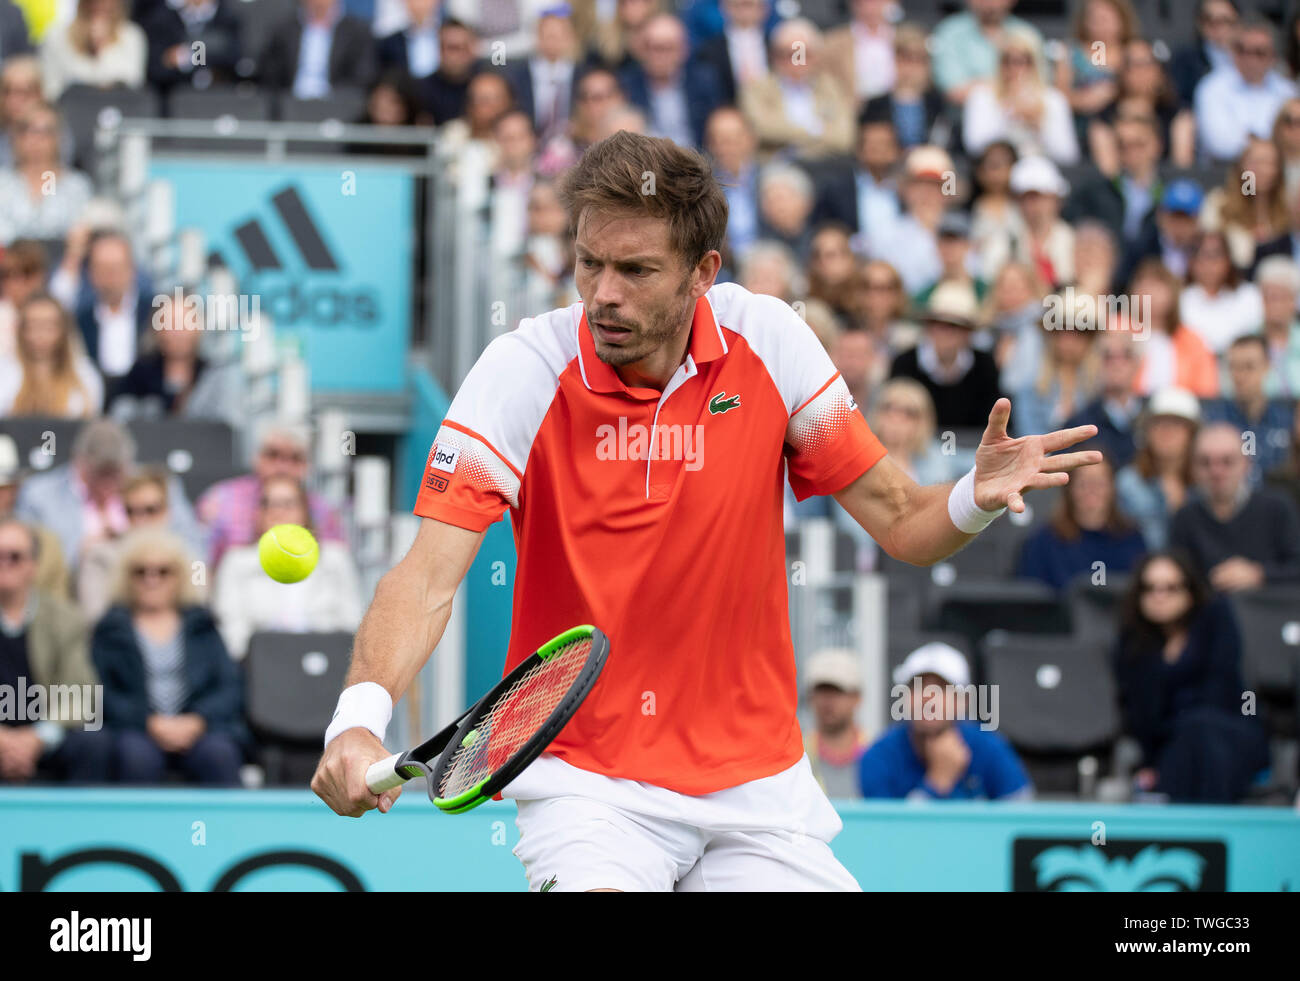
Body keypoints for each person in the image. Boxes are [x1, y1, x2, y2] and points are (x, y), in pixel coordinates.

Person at [311, 129, 1100, 891]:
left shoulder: (771, 341)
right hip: (590, 788)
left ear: (703, 270)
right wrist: (357, 715)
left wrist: (973, 496)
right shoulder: (524, 368)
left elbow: (903, 522)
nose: (603, 294)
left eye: (635, 269)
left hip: (757, 789)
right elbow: (425, 578)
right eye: (589, 264)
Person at [1113, 550, 1269, 803]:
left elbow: (1221, 692)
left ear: (1190, 590)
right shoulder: (1133, 642)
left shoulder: (1216, 618)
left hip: (1227, 734)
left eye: (1171, 587)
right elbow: (1142, 716)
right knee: (1189, 741)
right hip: (1171, 747)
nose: (1159, 596)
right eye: (1149, 588)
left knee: (1200, 730)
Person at [93, 527, 244, 785]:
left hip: (199, 729)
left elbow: (229, 685)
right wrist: (148, 722)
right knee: (136, 757)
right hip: (135, 730)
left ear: (180, 576)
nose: (152, 579)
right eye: (140, 571)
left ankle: (225, 827)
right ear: (126, 577)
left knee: (219, 754)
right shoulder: (111, 628)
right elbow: (100, 690)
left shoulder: (202, 625)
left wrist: (198, 721)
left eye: (163, 571)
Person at [0, 518, 111, 784]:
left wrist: (37, 737)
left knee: (93, 743)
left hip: (46, 732)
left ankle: (82, 825)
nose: (4, 564)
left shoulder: (64, 618)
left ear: (33, 565)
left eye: (14, 557)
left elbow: (82, 691)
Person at [15, 418, 203, 570]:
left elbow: (197, 552)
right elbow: (28, 563)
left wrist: (144, 540)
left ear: (129, 464)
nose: (108, 484)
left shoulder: (157, 488)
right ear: (79, 463)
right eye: (100, 474)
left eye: (116, 474)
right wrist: (80, 552)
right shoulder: (40, 496)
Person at [212, 476, 363, 660]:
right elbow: (231, 633)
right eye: (268, 503)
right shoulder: (236, 562)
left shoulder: (335, 559)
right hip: (261, 670)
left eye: (288, 503)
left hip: (326, 666)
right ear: (258, 513)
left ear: (305, 510)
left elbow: (353, 625)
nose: (278, 512)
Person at [859, 642, 1032, 800]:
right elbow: (886, 831)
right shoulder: (879, 756)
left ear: (963, 701)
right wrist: (937, 782)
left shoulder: (989, 746)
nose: (928, 699)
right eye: (918, 688)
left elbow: (1021, 815)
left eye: (941, 689)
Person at [196, 420, 346, 568]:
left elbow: (334, 567)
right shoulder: (220, 500)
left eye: (295, 458)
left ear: (307, 466)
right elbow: (199, 562)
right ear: (256, 458)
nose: (283, 467)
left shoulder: (323, 510)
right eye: (273, 455)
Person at [1169, 420, 1300, 590]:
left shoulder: (1277, 508)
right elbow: (1175, 576)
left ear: (1246, 464)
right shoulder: (1185, 517)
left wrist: (1259, 574)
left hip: (1271, 612)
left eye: (1227, 461)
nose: (1216, 471)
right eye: (1205, 462)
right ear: (1193, 468)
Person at [76, 466, 193, 625]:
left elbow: (199, 604)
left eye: (151, 510)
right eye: (131, 511)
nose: (141, 520)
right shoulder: (99, 558)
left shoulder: (190, 558)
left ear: (168, 511)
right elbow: (95, 617)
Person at [1017, 453, 1146, 590]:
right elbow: (1030, 597)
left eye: (1099, 483)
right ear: (1070, 489)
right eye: (1083, 483)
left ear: (1112, 488)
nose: (1091, 490)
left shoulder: (1131, 539)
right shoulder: (1043, 542)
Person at [890, 281, 1004, 431]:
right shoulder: (904, 363)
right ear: (928, 327)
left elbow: (990, 422)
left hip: (972, 450)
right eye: (938, 324)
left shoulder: (985, 366)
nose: (946, 332)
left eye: (955, 326)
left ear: (968, 332)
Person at [740, 17, 854, 161]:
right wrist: (815, 130)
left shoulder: (831, 87)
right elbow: (761, 128)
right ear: (775, 56)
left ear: (815, 57)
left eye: (803, 54)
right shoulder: (758, 88)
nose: (797, 62)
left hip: (826, 163)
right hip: (777, 164)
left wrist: (790, 135)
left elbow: (844, 136)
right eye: (789, 54)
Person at [963, 27, 1079, 166]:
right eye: (1007, 60)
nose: (1014, 69)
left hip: (1040, 171)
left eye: (1023, 61)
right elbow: (974, 146)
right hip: (997, 172)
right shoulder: (981, 96)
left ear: (1036, 63)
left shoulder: (1053, 99)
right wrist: (1008, 114)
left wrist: (1038, 125)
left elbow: (1068, 155)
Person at [1194, 15, 1297, 165]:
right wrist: (1271, 143)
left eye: (1259, 52)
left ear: (1273, 57)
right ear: (1232, 52)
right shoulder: (1211, 87)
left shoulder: (1288, 91)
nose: (1250, 59)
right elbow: (1219, 144)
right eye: (1242, 50)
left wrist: (1251, 139)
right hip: (1226, 173)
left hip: (1279, 173)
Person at [617, 12, 720, 148]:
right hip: (645, 163)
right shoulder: (626, 85)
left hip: (696, 160)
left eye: (669, 48)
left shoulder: (704, 81)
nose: (661, 56)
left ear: (684, 50)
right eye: (655, 48)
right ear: (642, 50)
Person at [1116, 386, 1200, 551]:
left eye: (1176, 424)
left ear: (1192, 433)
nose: (1166, 431)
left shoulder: (1206, 484)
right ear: (1146, 431)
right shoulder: (1127, 483)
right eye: (1158, 424)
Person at [1201, 334, 1296, 480]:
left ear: (1267, 367)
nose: (1240, 376)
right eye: (1234, 367)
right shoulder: (1213, 421)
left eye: (1249, 367)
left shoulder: (1288, 419)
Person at [0, 103, 93, 246]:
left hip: (62, 265)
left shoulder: (76, 186)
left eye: (45, 131)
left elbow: (79, 239)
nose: (36, 139)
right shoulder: (3, 182)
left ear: (58, 138)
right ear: (16, 138)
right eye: (28, 130)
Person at [0, 293, 103, 418]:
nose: (40, 333)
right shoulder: (6, 370)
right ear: (22, 330)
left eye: (48, 325)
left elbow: (88, 417)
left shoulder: (84, 372)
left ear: (63, 330)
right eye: (33, 325)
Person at [1130, 258, 1219, 399]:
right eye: (1143, 285)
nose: (1148, 293)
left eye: (1156, 286)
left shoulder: (1192, 340)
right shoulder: (1119, 330)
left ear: (1171, 293)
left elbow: (1206, 389)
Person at [930, 0, 1043, 107]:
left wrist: (979, 87)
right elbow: (954, 91)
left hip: (1024, 119)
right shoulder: (949, 32)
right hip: (962, 121)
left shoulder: (1027, 33)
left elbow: (1041, 88)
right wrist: (1009, 87)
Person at [257, 0, 376, 99]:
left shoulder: (357, 31)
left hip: (337, 104)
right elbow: (270, 73)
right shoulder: (283, 29)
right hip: (291, 102)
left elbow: (362, 76)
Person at [1063, 330, 1145, 468]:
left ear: (1138, 363)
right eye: (1108, 356)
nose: (1117, 364)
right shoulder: (1079, 425)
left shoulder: (1153, 416)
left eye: (1126, 355)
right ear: (1097, 364)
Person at [38, 0, 146, 102]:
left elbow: (132, 83)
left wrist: (101, 51)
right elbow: (52, 90)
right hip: (72, 110)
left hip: (118, 108)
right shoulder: (57, 35)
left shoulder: (132, 36)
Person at [867, 377, 964, 485]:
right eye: (888, 408)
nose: (896, 419)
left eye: (908, 413)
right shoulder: (860, 455)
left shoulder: (937, 456)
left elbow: (975, 462)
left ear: (923, 421)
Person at [802, 648, 867, 799]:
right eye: (821, 691)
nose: (827, 701)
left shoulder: (877, 754)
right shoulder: (796, 756)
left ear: (857, 698)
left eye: (837, 691)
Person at [143, 0, 243, 94]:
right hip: (175, 93)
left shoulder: (229, 19)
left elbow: (236, 59)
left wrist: (192, 56)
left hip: (219, 94)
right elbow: (154, 67)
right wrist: (169, 61)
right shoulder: (163, 19)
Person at [696, 0, 770, 108]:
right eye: (737, 5)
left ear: (763, 9)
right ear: (724, 8)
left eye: (748, 5)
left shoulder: (776, 44)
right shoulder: (709, 51)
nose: (743, 11)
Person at [1253, 255, 1300, 398]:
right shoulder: (1248, 341)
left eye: (1282, 298)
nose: (1276, 305)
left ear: (1293, 301)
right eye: (1270, 298)